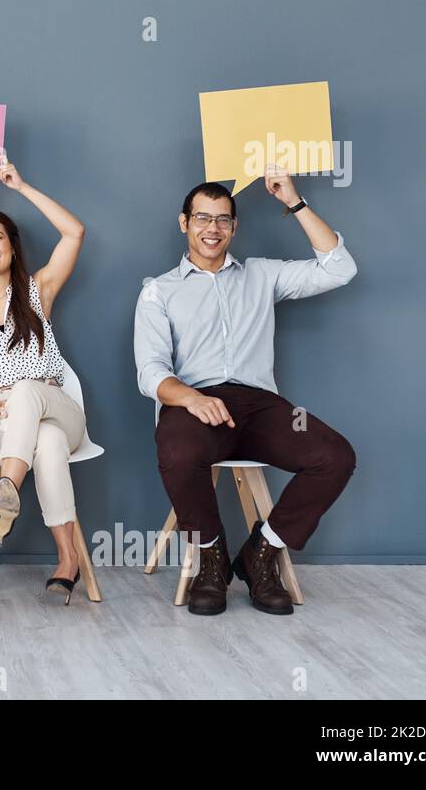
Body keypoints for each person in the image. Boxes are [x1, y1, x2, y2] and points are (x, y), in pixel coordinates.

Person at [134, 165, 357, 616]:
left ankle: (261, 552)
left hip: (260, 404)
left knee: (336, 456)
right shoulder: (158, 291)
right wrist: (193, 399)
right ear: (184, 223)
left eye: (222, 220)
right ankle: (211, 556)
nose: (212, 229)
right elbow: (150, 372)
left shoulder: (262, 275)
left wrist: (293, 201)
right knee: (177, 452)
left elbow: (340, 269)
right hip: (194, 401)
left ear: (234, 227)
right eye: (202, 218)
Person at [0, 153, 90, 604]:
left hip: (56, 404)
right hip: (2, 420)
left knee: (32, 394)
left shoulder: (38, 289)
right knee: (43, 442)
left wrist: (21, 187)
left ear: (12, 246)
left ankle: (7, 488)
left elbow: (74, 232)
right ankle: (68, 561)